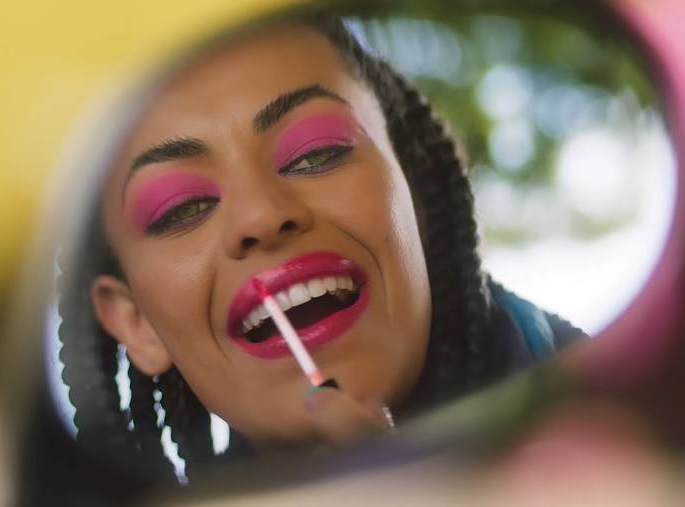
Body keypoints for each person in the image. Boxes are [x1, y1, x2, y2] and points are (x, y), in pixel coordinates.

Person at [56, 13, 582, 483]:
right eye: (180, 208)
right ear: (136, 324)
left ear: (415, 195)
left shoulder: (621, 406)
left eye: (317, 153)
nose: (261, 215)